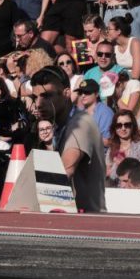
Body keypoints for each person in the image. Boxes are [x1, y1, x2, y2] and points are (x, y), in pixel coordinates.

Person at [30, 66, 107, 212]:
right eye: (35, 97)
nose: (38, 104)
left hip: (87, 223)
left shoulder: (80, 123)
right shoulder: (60, 124)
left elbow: (65, 172)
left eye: (46, 96)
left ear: (66, 93)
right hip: (71, 217)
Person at [104, 110, 140, 185]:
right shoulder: (112, 148)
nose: (123, 128)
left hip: (135, 188)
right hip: (115, 188)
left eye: (127, 125)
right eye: (119, 125)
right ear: (114, 128)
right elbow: (108, 173)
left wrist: (125, 166)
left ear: (133, 126)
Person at [106, 14, 140, 82]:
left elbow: (136, 75)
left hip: (137, 81)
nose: (107, 32)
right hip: (119, 81)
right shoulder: (113, 46)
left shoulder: (135, 43)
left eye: (109, 29)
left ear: (118, 31)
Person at [75, 79, 114, 144]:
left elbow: (108, 142)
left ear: (96, 94)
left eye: (87, 92)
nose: (83, 95)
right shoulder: (78, 111)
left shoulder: (105, 113)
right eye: (80, 92)